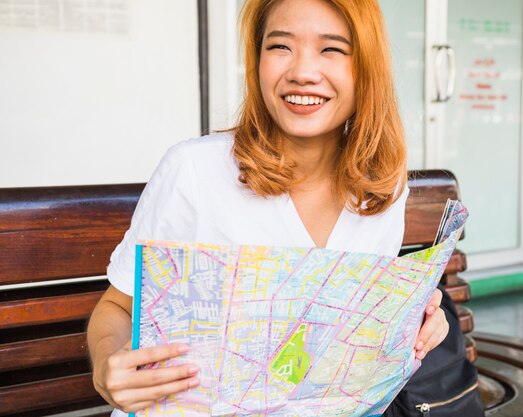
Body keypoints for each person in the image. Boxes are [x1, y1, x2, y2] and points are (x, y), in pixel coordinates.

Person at [87, 0, 459, 415]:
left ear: (366, 68)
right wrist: (106, 366)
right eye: (280, 47)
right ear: (257, 60)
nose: (301, 71)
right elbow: (117, 306)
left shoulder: (383, 187)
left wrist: (422, 322)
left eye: (332, 49)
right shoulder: (194, 170)